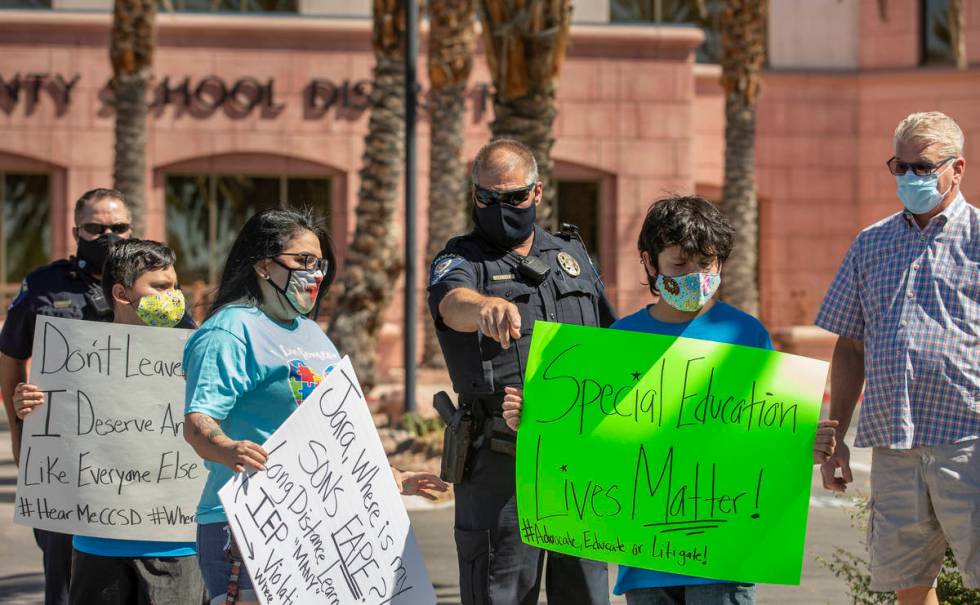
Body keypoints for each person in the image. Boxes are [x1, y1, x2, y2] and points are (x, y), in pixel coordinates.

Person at [500, 195, 839, 605]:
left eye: (707, 264)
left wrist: (806, 442)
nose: (695, 276)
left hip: (724, 559)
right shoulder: (621, 340)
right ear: (650, 263)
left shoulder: (747, 335)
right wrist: (535, 422)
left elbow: (765, 432)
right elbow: (586, 435)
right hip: (645, 564)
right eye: (680, 265)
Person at [182, 208, 447, 605]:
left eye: (320, 263)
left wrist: (389, 475)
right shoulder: (229, 331)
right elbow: (197, 421)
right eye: (303, 261)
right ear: (263, 265)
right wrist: (225, 448)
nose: (316, 273)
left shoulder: (311, 333)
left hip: (317, 532)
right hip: (248, 529)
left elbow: (336, 430)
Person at [427, 138, 614, 605]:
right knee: (500, 592)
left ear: (537, 192)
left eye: (512, 196)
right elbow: (451, 305)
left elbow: (614, 342)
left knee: (586, 592)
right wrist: (484, 305)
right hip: (498, 459)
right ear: (474, 196)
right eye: (487, 197)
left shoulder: (572, 257)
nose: (500, 206)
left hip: (576, 457)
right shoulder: (461, 260)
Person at [816, 111, 979, 604]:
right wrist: (836, 434)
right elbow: (849, 345)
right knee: (910, 590)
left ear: (958, 169)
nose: (911, 177)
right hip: (895, 443)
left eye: (924, 167)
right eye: (900, 166)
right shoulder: (872, 244)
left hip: (969, 440)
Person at [0, 187, 187, 605]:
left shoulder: (157, 288)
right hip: (66, 470)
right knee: (67, 585)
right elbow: (11, 357)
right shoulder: (45, 284)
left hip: (143, 475)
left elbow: (184, 356)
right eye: (95, 227)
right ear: (75, 231)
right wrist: (20, 435)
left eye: (118, 227)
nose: (108, 235)